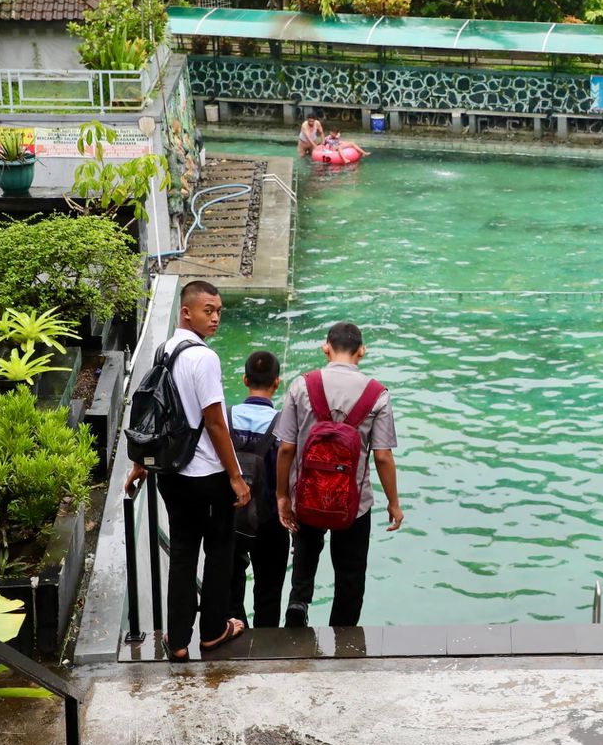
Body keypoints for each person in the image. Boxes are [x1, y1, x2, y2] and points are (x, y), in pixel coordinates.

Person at [125, 281, 251, 661]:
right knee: (218, 552)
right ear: (186, 311)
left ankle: (177, 640)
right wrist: (235, 476)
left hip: (171, 474)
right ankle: (213, 631)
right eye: (208, 310)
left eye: (218, 312)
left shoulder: (165, 350)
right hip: (207, 477)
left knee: (182, 554)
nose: (215, 318)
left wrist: (140, 463)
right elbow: (215, 422)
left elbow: (151, 411)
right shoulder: (205, 358)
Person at [274, 321, 402, 628]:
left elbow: (287, 448)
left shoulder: (302, 385)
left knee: (305, 556)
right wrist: (393, 503)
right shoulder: (377, 394)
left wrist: (283, 495)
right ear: (362, 351)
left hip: (308, 494)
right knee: (350, 573)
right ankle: (342, 633)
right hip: (354, 503)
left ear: (326, 347)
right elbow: (383, 456)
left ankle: (298, 602)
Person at [228, 350, 288, 629]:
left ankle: (235, 630)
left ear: (244, 379)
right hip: (271, 520)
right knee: (269, 590)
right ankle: (266, 641)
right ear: (277, 382)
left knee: (231, 583)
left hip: (232, 516)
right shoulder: (283, 423)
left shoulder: (226, 419)